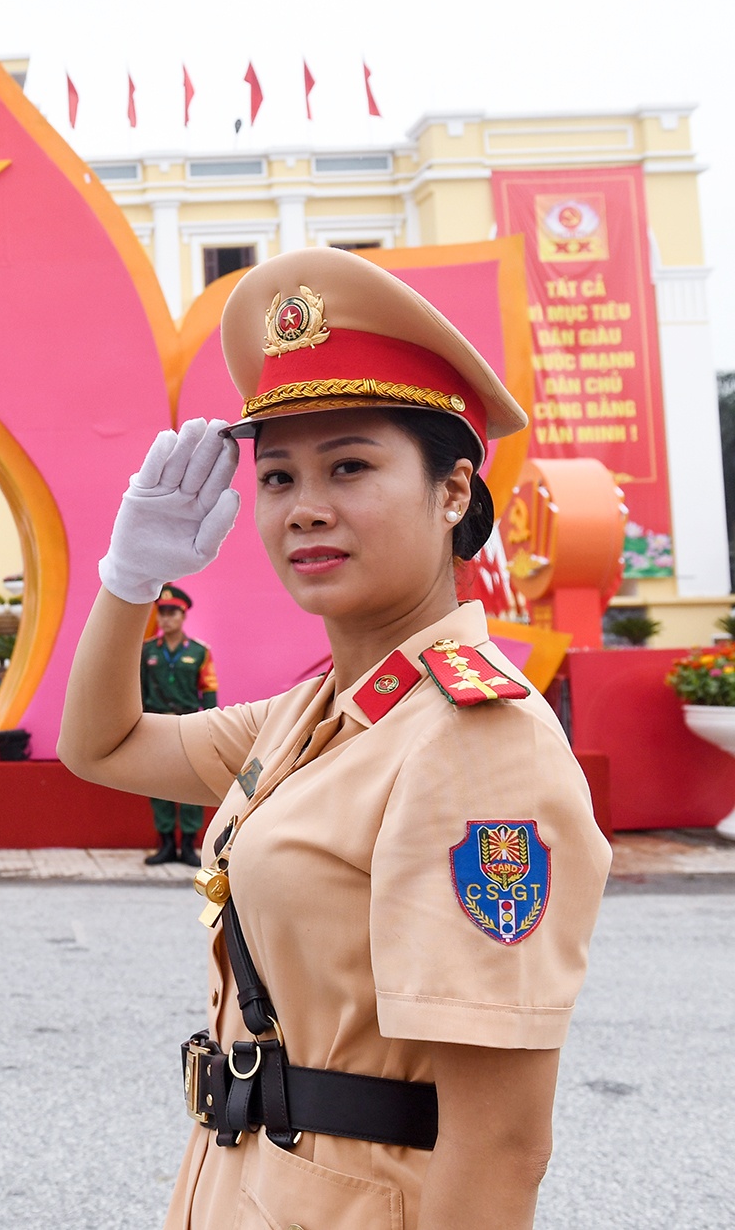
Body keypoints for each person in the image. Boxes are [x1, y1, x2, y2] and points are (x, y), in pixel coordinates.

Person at [59, 247, 610, 1228]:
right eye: (275, 476)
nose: (303, 506)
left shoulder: (473, 742)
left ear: (451, 492)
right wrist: (126, 577)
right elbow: (98, 746)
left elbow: (501, 1142)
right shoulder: (317, 712)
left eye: (348, 465)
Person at [140, 582, 218, 867]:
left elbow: (209, 688)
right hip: (156, 726)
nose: (166, 619)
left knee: (190, 784)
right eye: (162, 613)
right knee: (158, 785)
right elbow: (137, 691)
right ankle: (165, 844)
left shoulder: (199, 652)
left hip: (189, 726)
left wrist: (212, 727)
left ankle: (187, 844)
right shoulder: (146, 652)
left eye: (173, 613)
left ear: (184, 616)